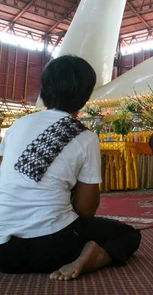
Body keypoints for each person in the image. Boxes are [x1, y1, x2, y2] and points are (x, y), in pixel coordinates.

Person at [0, 55, 141, 280]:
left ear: (44, 90)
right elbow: (86, 209)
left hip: (4, 253)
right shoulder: (85, 137)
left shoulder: (18, 126)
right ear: (85, 98)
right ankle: (98, 256)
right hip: (53, 250)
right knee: (129, 234)